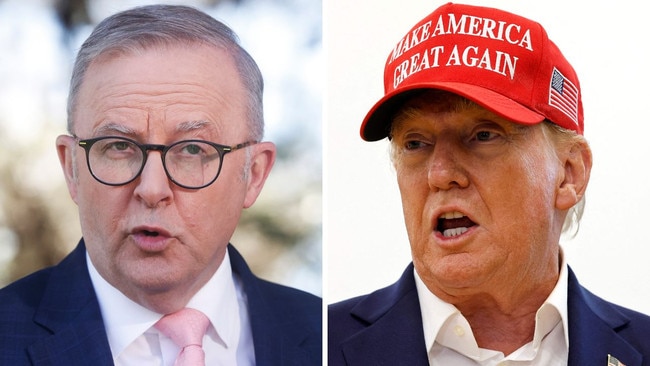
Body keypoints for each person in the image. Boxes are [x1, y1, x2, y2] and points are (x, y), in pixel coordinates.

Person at [328, 3, 650, 365]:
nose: (440, 174)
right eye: (415, 143)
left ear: (569, 173)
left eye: (483, 135)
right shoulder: (321, 344)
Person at [0, 4, 321, 366]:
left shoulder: (324, 334)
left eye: (192, 149)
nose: (152, 189)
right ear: (72, 167)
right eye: (119, 146)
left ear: (255, 174)